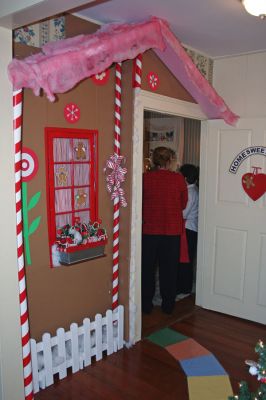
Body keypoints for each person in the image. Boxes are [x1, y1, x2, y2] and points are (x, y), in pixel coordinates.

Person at [142, 147, 188, 314]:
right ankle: (168, 305)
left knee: (147, 268)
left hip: (149, 230)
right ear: (169, 161)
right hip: (171, 230)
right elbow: (183, 204)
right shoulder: (178, 179)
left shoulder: (145, 178)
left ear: (153, 161)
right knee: (169, 269)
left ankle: (145, 305)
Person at [176, 164, 199, 296]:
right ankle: (184, 285)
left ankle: (184, 287)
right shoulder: (193, 190)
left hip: (187, 229)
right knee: (186, 258)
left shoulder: (190, 193)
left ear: (184, 178)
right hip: (190, 228)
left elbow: (183, 213)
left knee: (185, 259)